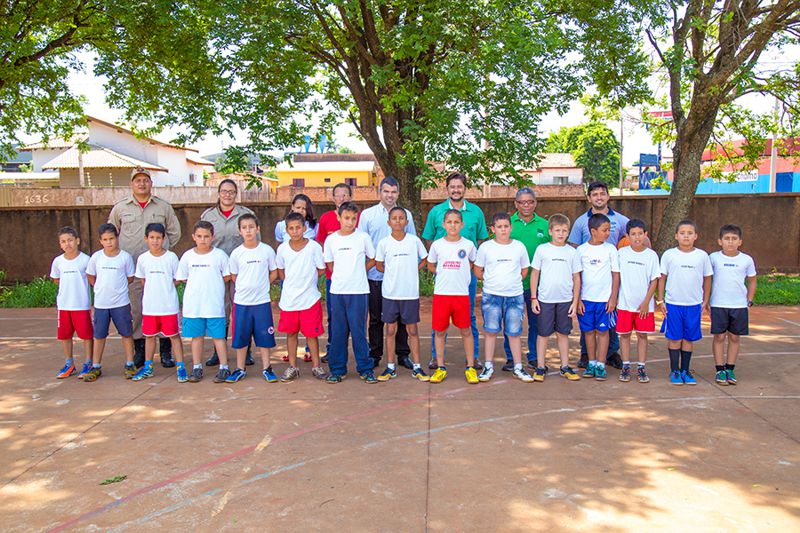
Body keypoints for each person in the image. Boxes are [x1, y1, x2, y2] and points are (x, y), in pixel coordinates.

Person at [109, 167, 180, 369]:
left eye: (145, 180)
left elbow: (174, 232)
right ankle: (139, 348)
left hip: (159, 268)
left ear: (151, 183)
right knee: (137, 308)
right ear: (131, 184)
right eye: (138, 180)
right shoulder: (120, 208)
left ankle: (166, 350)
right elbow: (112, 232)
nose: (142, 184)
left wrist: (161, 252)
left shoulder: (163, 207)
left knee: (164, 306)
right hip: (132, 269)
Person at [422, 172, 488, 370]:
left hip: (465, 278)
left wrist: (466, 268)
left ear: (464, 188)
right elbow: (429, 239)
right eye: (452, 187)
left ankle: (473, 357)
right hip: (444, 280)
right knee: (439, 322)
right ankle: (436, 357)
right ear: (447, 188)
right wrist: (440, 270)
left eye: (459, 186)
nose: (456, 190)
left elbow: (480, 241)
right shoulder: (436, 211)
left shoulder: (476, 212)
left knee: (469, 318)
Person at [568, 181, 629, 369]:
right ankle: (587, 354)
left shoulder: (620, 219)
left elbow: (637, 237)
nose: (599, 197)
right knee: (587, 319)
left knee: (610, 317)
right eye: (595, 194)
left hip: (609, 278)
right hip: (588, 281)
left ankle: (611, 353)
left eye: (602, 193)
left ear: (608, 196)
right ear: (589, 198)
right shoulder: (580, 222)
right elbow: (573, 249)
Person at [360, 177, 417, 369]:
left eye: (393, 192)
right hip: (376, 276)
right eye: (386, 191)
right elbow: (362, 245)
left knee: (401, 319)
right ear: (379, 192)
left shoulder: (405, 214)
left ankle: (402, 354)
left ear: (398, 194)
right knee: (376, 317)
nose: (390, 195)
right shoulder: (367, 215)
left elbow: (414, 245)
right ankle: (375, 354)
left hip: (401, 279)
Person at [201, 179, 258, 367]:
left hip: (241, 272)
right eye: (224, 191)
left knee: (241, 310)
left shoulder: (246, 215)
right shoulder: (208, 215)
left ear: (236, 194)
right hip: (215, 272)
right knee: (219, 310)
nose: (228, 195)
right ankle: (218, 351)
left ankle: (246, 350)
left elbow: (255, 244)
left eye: (232, 191)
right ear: (218, 193)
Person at [473, 212, 533, 383]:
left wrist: (511, 282)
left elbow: (524, 270)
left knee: (514, 333)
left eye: (506, 226)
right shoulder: (486, 247)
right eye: (499, 227)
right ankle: (488, 366)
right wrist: (493, 281)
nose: (503, 230)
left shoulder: (519, 247)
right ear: (493, 229)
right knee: (491, 331)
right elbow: (478, 270)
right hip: (492, 296)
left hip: (514, 296)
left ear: (511, 227)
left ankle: (518, 367)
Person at [323, 202, 377, 384]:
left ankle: (365, 368)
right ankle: (338, 370)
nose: (350, 222)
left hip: (359, 291)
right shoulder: (331, 240)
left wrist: (360, 269)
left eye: (354, 218)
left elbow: (373, 258)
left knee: (359, 331)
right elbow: (330, 265)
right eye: (346, 218)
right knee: (338, 331)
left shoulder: (363, 237)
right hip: (338, 291)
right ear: (338, 217)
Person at [374, 206, 429, 382]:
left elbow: (425, 259)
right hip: (390, 294)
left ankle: (418, 367)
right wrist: (391, 274)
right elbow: (379, 265)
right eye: (394, 218)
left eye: (401, 218)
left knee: (412, 330)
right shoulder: (384, 243)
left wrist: (414, 269)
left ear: (407, 221)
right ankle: (390, 366)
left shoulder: (414, 241)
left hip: (410, 294)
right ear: (388, 222)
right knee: (390, 329)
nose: (398, 221)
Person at [657, 220, 713, 386]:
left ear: (696, 236)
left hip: (693, 304)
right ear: (676, 236)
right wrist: (660, 300)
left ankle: (685, 370)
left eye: (690, 233)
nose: (686, 236)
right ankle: (674, 370)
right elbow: (662, 278)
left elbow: (707, 278)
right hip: (673, 304)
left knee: (688, 339)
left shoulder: (702, 256)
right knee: (674, 338)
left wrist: (705, 300)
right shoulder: (669, 255)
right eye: (682, 233)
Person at [176, 221, 231, 383]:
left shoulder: (220, 255)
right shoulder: (187, 256)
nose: (203, 240)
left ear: (212, 237)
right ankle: (197, 367)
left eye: (206, 236)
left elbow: (226, 276)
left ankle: (224, 367)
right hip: (194, 306)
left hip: (214, 305)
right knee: (196, 337)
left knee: (219, 337)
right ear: (193, 237)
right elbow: (183, 277)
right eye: (199, 236)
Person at [427, 209, 478, 384]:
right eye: (449, 222)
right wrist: (442, 274)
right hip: (442, 295)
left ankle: (470, 367)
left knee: (466, 330)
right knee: (440, 331)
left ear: (462, 224)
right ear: (444, 225)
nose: (453, 225)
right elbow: (431, 264)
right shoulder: (437, 245)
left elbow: (472, 263)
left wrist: (461, 274)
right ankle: (441, 367)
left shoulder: (469, 245)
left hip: (461, 295)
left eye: (456, 222)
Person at [502, 187, 550, 371]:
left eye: (530, 201)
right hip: (512, 284)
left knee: (535, 322)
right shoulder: (508, 224)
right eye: (522, 202)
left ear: (535, 203)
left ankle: (534, 356)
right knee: (511, 322)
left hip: (537, 285)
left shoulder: (545, 225)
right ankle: (510, 357)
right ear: (516, 204)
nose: (526, 205)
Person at [131, 223, 187, 382]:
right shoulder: (143, 259)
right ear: (146, 239)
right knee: (149, 337)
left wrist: (166, 286)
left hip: (168, 307)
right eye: (152, 237)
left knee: (174, 336)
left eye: (158, 238)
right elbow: (143, 280)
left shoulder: (171, 257)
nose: (155, 241)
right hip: (150, 308)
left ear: (164, 239)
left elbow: (178, 279)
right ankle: (148, 367)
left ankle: (181, 367)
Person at [227, 214, 279, 383]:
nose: (248, 230)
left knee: (264, 338)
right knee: (241, 338)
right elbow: (234, 276)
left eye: (251, 227)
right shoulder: (236, 254)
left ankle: (267, 368)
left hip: (261, 302)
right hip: (242, 303)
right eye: (244, 227)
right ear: (240, 231)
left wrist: (263, 284)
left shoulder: (266, 250)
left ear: (258, 229)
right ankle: (240, 369)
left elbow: (274, 272)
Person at [276, 212, 328, 381]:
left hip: (310, 299)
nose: (295, 231)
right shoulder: (282, 249)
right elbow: (281, 271)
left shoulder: (314, 247)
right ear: (286, 230)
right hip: (289, 300)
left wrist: (308, 283)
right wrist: (292, 285)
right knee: (291, 334)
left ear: (304, 228)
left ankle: (316, 366)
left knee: (311, 335)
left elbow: (321, 269)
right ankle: (293, 367)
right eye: (291, 228)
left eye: (298, 227)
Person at [530, 214, 582, 382]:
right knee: (543, 334)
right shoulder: (542, 249)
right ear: (550, 231)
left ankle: (565, 366)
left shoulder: (572, 252)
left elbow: (576, 278)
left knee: (563, 334)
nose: (561, 234)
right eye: (557, 230)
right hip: (545, 299)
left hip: (565, 300)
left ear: (568, 233)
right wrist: (533, 297)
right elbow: (535, 274)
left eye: (564, 231)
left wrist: (575, 302)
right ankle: (540, 366)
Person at [83, 223, 136, 382]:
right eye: (105, 239)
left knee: (126, 334)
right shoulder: (96, 257)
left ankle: (129, 363)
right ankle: (96, 366)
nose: (109, 242)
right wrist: (99, 288)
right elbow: (91, 276)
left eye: (112, 239)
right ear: (100, 241)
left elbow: (130, 278)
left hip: (121, 304)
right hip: (101, 305)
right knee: (99, 336)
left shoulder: (125, 257)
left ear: (117, 238)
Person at [710, 224, 757, 386]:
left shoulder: (746, 260)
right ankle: (719, 370)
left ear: (740, 242)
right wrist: (706, 300)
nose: (730, 242)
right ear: (720, 241)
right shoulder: (713, 258)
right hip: (718, 303)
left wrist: (749, 300)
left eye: (734, 239)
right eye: (727, 239)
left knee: (735, 337)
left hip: (738, 305)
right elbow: (706, 280)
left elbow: (752, 281)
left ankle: (730, 368)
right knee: (719, 336)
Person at [576, 214, 620, 381]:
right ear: (593, 231)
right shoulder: (581, 250)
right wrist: (578, 299)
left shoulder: (610, 249)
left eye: (609, 229)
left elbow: (616, 275)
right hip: (586, 300)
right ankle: (591, 362)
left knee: (603, 332)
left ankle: (601, 364)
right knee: (588, 332)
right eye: (604, 230)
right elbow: (577, 276)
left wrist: (613, 298)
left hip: (604, 301)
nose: (608, 233)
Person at [616, 219, 660, 384]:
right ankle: (626, 365)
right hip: (625, 305)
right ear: (627, 236)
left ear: (645, 235)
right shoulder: (621, 253)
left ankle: (641, 366)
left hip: (644, 306)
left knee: (642, 335)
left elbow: (654, 280)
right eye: (633, 234)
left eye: (640, 234)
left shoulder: (651, 255)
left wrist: (646, 302)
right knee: (625, 335)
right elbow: (617, 277)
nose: (637, 237)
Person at [316, 183, 356, 358]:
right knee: (334, 315)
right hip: (334, 278)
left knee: (356, 317)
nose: (341, 199)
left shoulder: (356, 217)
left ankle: (359, 349)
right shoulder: (325, 218)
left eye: (345, 195)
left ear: (350, 197)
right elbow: (321, 244)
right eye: (338, 196)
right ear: (333, 199)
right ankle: (333, 347)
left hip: (355, 279)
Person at [50, 226, 94, 379]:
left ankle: (89, 362)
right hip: (64, 306)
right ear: (60, 244)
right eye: (63, 241)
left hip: (81, 305)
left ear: (77, 241)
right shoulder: (58, 261)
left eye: (70, 240)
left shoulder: (86, 260)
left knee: (87, 335)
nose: (67, 244)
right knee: (65, 336)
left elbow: (91, 279)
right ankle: (69, 363)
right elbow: (57, 280)